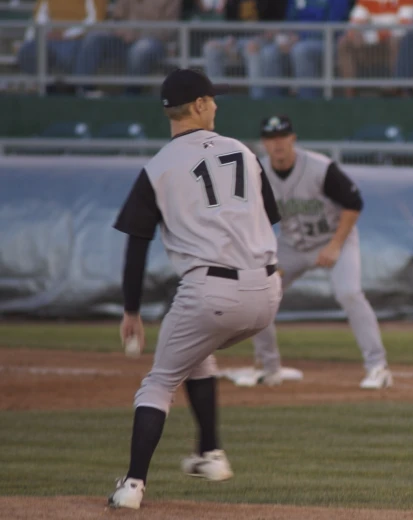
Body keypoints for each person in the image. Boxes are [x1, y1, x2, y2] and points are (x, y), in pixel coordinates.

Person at [107, 68, 283, 509]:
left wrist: (131, 310)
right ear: (199, 106)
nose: (217, 104)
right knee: (198, 352)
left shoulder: (157, 168)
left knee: (158, 383)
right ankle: (210, 453)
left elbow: (136, 243)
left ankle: (131, 485)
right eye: (213, 98)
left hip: (211, 292)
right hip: (269, 293)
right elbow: (270, 216)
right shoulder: (242, 151)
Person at [222, 115, 393, 390]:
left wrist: (335, 245)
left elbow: (354, 203)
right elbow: (252, 215)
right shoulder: (258, 172)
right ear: (264, 143)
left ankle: (378, 367)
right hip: (291, 245)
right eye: (271, 138)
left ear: (293, 139)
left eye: (283, 137)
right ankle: (270, 369)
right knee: (258, 293)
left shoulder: (320, 168)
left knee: (349, 293)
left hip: (335, 239)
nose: (277, 144)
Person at [73, 0, 181, 96]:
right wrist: (120, 29)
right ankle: (84, 89)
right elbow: (116, 18)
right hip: (124, 40)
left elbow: (168, 30)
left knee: (140, 49)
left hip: (154, 43)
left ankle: (130, 95)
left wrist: (137, 33)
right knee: (94, 38)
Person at [254, 0, 351, 99]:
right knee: (268, 53)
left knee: (300, 51)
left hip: (327, 41)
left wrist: (300, 37)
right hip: (295, 40)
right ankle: (272, 103)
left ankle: (308, 102)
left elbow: (333, 26)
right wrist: (285, 38)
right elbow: (289, 21)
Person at [201, 0, 288, 100]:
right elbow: (229, 24)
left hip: (263, 39)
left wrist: (263, 37)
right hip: (237, 39)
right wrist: (230, 39)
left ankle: (257, 100)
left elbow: (277, 24)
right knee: (211, 48)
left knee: (252, 49)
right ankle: (217, 100)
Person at [337, 0, 413, 98]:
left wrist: (373, 36)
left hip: (398, 46)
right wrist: (357, 34)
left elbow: (402, 28)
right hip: (372, 46)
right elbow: (353, 26)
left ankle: (400, 91)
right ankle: (350, 93)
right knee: (345, 43)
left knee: (396, 41)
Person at [16, 0, 107, 77]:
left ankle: (80, 89)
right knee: (28, 50)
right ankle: (44, 89)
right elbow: (40, 15)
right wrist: (48, 32)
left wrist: (66, 34)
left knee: (83, 49)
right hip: (51, 37)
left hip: (79, 39)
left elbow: (95, 18)